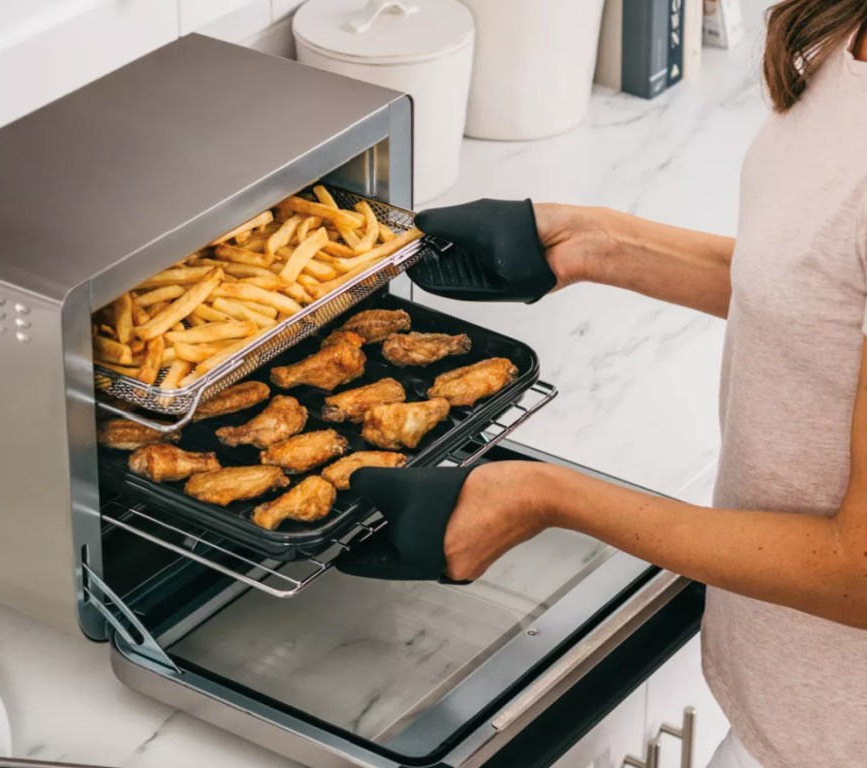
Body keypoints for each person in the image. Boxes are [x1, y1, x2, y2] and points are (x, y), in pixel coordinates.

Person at [346, 3, 867, 767]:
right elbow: (818, 290)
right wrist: (595, 243)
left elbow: (857, 574)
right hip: (783, 688)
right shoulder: (845, 27)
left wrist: (545, 495)